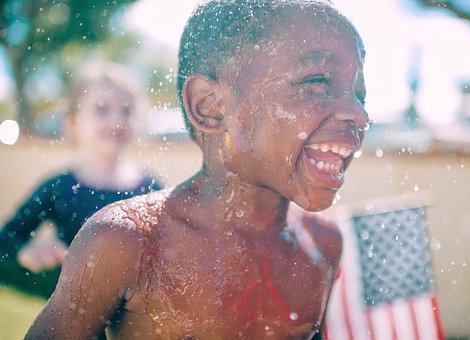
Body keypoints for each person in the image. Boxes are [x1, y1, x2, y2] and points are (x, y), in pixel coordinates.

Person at [26, 0, 370, 338]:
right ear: (210, 107)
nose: (359, 114)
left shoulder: (323, 244)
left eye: (360, 95)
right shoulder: (130, 243)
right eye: (318, 82)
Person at [0, 60, 162, 298]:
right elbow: (6, 239)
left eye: (126, 111)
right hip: (72, 323)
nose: (116, 120)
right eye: (101, 108)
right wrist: (26, 252)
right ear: (73, 123)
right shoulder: (59, 188)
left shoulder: (150, 190)